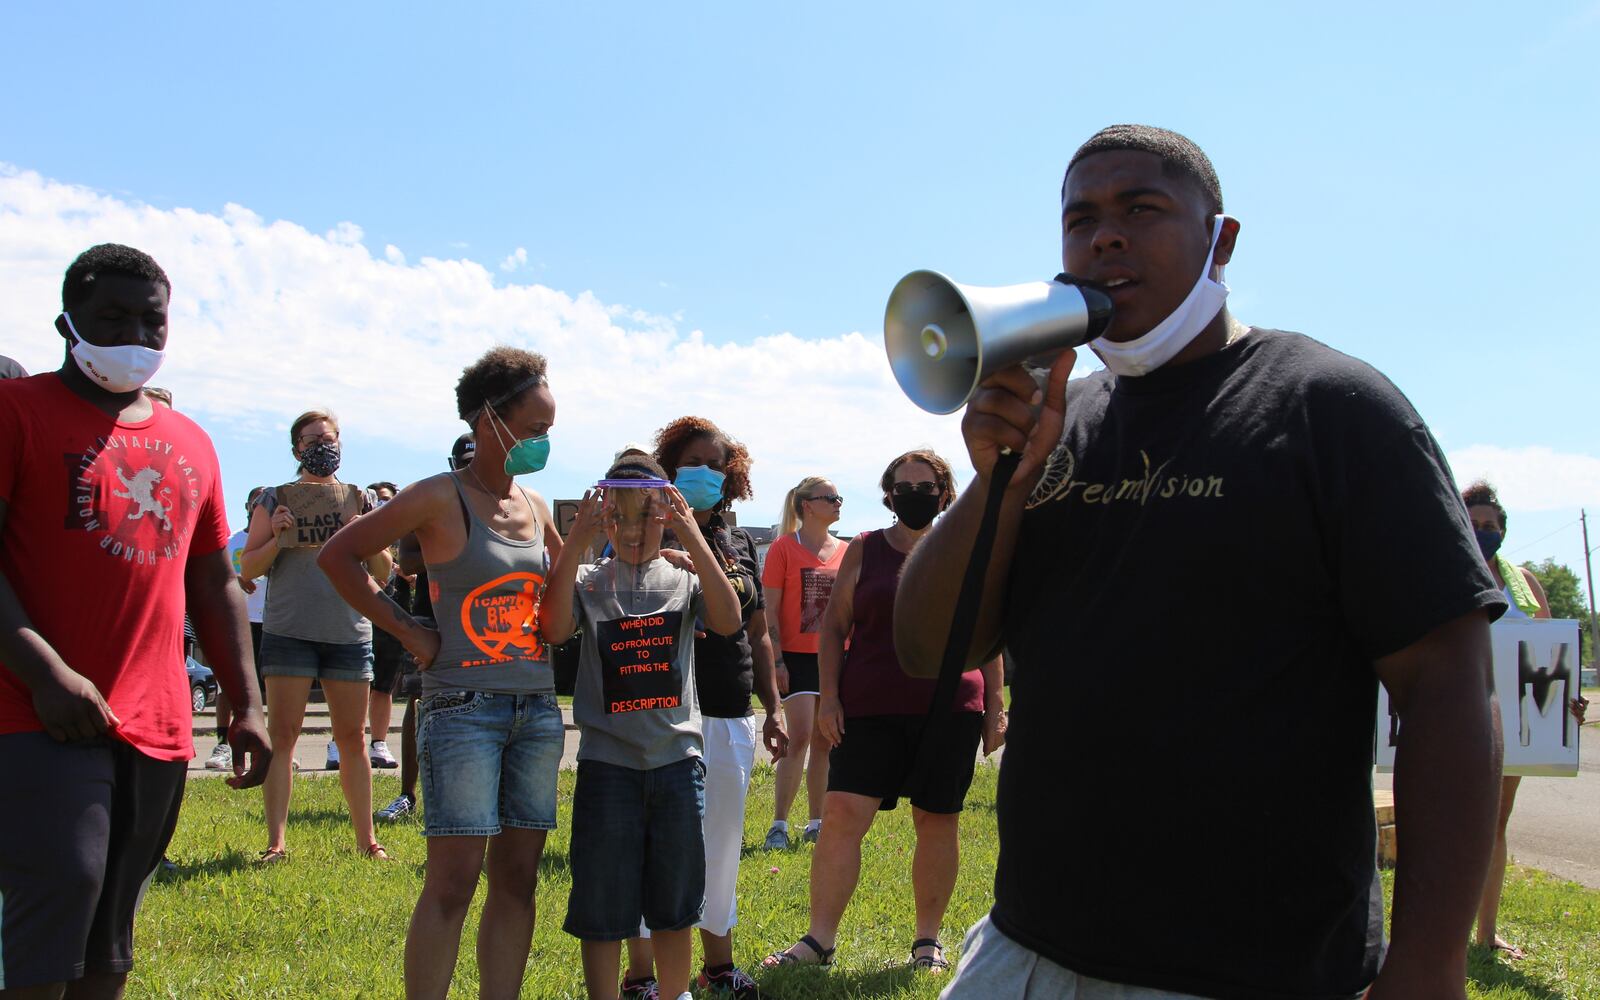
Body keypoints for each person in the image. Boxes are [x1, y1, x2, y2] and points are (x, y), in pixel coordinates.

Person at [895, 125, 1507, 999]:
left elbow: (1447, 685)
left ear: (1221, 241)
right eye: (1081, 219)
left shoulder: (1331, 408)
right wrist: (997, 485)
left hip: (1259, 972)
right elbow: (930, 650)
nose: (1105, 235)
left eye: (1142, 208)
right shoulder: (1061, 422)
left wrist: (1430, 965)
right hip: (1028, 948)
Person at [0, 244, 269, 996]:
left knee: (110, 936)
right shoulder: (14, 412)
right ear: (67, 322)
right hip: (33, 709)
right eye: (111, 318)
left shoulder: (191, 443)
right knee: (62, 887)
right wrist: (47, 675)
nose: (135, 337)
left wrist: (246, 703)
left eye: (151, 322)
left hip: (155, 723)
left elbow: (215, 579)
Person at [321, 348, 565, 1000]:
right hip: (462, 707)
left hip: (537, 711)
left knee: (517, 879)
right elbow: (339, 555)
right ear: (491, 420)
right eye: (535, 429)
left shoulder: (537, 506)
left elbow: (566, 603)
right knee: (453, 881)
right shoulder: (438, 495)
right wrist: (407, 631)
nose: (543, 443)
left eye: (550, 431)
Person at [764, 450, 1004, 974]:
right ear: (888, 494)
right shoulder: (865, 549)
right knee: (843, 815)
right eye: (904, 486)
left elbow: (988, 635)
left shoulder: (968, 549)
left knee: (937, 819)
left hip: (951, 709)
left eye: (926, 486)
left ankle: (927, 943)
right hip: (869, 706)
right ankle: (819, 940)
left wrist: (996, 707)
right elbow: (833, 627)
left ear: (945, 495)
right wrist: (829, 696)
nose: (915, 495)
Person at [542, 456, 742, 1000]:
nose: (633, 531)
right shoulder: (586, 579)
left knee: (675, 904)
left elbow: (727, 620)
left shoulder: (681, 575)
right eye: (620, 516)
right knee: (604, 904)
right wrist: (574, 540)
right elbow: (554, 627)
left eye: (648, 515)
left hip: (678, 763)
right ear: (606, 516)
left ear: (666, 511)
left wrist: (693, 539)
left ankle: (675, 993)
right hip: (608, 766)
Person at [619, 417, 789, 1000]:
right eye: (694, 461)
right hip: (664, 712)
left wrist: (774, 706)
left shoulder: (738, 542)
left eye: (718, 465)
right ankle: (642, 975)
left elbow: (758, 631)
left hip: (726, 708)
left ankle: (718, 965)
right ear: (669, 464)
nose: (706, 473)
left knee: (720, 842)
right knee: (658, 846)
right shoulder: (641, 529)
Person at [241, 408, 392, 862]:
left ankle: (368, 841)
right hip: (290, 630)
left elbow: (384, 574)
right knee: (282, 735)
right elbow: (247, 568)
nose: (322, 446)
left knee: (353, 739)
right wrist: (278, 537)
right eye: (311, 440)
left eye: (329, 438)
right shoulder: (273, 499)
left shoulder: (359, 499)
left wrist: (361, 536)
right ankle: (276, 842)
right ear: (296, 449)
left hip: (347, 631)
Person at [1461, 479, 1586, 959]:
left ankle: (1485, 932)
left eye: (1491, 525)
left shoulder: (1524, 582)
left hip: (1513, 723)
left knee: (1496, 820)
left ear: (1504, 530)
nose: (1484, 532)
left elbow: (1554, 654)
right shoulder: (1442, 570)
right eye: (1473, 524)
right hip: (1456, 713)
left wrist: (1568, 703)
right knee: (1450, 819)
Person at [377, 434, 477, 824]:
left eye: (476, 460)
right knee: (418, 704)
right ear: (452, 462)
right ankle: (407, 794)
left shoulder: (499, 501)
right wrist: (461, 548)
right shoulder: (431, 499)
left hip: (479, 617)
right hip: (430, 615)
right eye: (464, 462)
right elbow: (407, 558)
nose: (470, 468)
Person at [760, 475, 847, 849]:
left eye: (839, 497)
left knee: (825, 742)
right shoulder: (783, 547)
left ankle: (816, 824)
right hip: (794, 658)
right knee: (798, 739)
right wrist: (777, 660)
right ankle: (778, 825)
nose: (838, 502)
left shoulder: (847, 549)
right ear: (807, 505)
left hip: (835, 660)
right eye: (830, 497)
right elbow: (770, 611)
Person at [213, 486, 271, 771]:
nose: (258, 506)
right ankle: (223, 742)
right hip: (240, 621)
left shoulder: (276, 542)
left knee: (269, 687)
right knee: (229, 684)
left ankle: (268, 743)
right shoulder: (232, 540)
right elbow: (215, 574)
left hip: (272, 621)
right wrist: (234, 577)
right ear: (247, 506)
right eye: (255, 502)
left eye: (264, 502)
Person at [364, 480, 403, 769]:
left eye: (387, 499)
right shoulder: (357, 531)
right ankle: (338, 743)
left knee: (384, 686)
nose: (381, 504)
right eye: (376, 499)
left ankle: (379, 742)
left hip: (392, 615)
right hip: (359, 614)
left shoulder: (405, 534)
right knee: (352, 683)